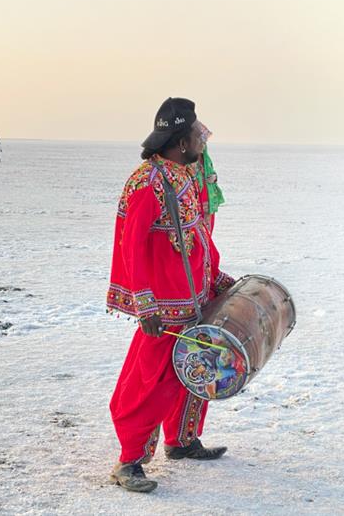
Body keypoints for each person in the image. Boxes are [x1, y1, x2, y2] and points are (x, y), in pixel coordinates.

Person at [106, 97, 236, 493]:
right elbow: (131, 246)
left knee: (196, 371)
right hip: (164, 308)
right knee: (149, 383)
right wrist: (144, 303)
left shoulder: (184, 176)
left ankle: (181, 441)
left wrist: (215, 277)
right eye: (197, 134)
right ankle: (129, 461)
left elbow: (196, 236)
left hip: (194, 298)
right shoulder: (147, 184)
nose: (202, 140)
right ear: (181, 142)